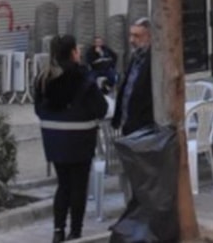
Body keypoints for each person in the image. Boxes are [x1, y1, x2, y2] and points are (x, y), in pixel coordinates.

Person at [35, 34, 108, 243]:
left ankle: (58, 231)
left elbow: (38, 109)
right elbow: (101, 108)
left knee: (63, 185)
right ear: (73, 52)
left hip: (54, 142)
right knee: (78, 186)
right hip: (81, 141)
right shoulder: (83, 78)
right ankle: (75, 232)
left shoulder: (43, 78)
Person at [113, 18, 154, 136]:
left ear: (149, 37)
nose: (131, 40)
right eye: (130, 35)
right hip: (128, 124)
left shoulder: (154, 60)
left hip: (144, 127)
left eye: (137, 36)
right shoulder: (135, 57)